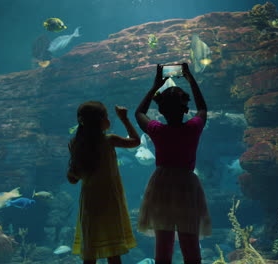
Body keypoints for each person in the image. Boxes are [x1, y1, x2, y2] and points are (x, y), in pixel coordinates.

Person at [135, 63, 212, 264]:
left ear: (160, 111)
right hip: (187, 183)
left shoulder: (158, 130)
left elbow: (139, 114)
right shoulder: (192, 128)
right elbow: (203, 108)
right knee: (190, 242)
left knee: (163, 243)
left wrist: (154, 86)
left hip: (161, 184)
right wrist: (190, 77)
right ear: (186, 109)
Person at [67, 101, 140, 264]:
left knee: (89, 251)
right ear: (100, 120)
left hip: (90, 203)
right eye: (107, 116)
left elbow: (72, 179)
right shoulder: (109, 140)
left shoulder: (77, 144)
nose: (109, 119)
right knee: (114, 251)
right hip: (110, 202)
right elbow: (136, 141)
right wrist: (124, 119)